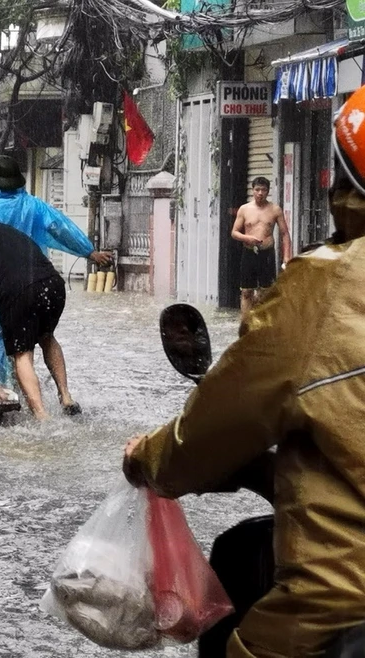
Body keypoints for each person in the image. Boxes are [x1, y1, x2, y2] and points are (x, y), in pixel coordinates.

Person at [122, 85, 365, 658]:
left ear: (343, 183)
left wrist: (151, 458)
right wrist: (265, 473)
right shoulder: (266, 231)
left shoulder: (326, 287)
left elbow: (212, 428)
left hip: (340, 610)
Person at [0, 155, 111, 388]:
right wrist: (89, 252)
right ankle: (34, 396)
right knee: (29, 345)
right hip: (30, 286)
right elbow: (61, 228)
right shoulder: (35, 206)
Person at [0, 197, 75, 420]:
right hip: (53, 285)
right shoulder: (5, 232)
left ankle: (41, 415)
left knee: (22, 355)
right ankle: (66, 396)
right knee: (47, 337)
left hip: (21, 293)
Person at [231, 176, 292, 321]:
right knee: (246, 291)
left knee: (266, 292)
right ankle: (245, 326)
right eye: (257, 190)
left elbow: (285, 234)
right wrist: (248, 238)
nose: (260, 193)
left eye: (263, 190)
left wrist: (287, 256)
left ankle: (262, 324)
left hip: (267, 254)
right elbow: (234, 232)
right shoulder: (244, 209)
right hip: (249, 253)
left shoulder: (275, 209)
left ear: (268, 192)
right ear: (252, 190)